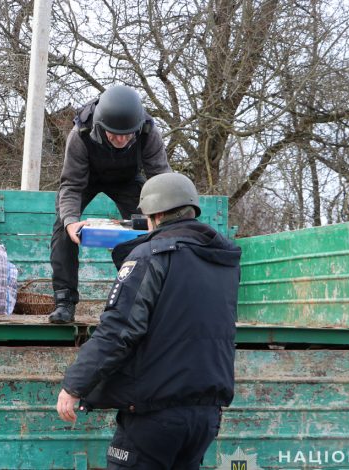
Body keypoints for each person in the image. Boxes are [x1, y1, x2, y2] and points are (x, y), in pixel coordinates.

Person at [55, 172, 241, 469]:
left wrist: (74, 385)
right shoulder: (224, 261)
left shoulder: (151, 255)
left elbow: (118, 331)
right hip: (205, 416)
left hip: (155, 415)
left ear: (154, 215)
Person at [48, 85, 172, 324]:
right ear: (100, 126)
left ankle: (146, 298)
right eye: (114, 134)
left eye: (127, 134)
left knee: (150, 230)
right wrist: (71, 223)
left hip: (127, 180)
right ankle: (64, 301)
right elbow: (71, 186)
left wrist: (158, 215)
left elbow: (161, 180)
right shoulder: (80, 134)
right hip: (86, 178)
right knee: (63, 227)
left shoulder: (149, 133)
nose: (121, 139)